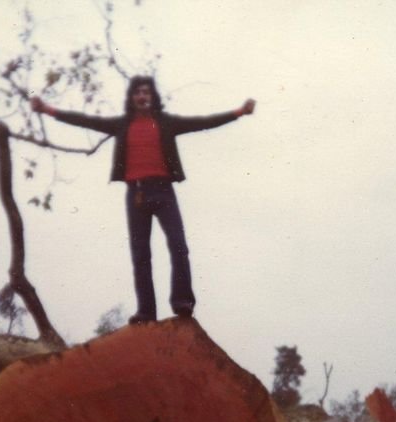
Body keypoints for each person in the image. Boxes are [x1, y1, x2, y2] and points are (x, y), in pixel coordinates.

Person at [31, 76, 255, 324]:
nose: (142, 97)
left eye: (147, 92)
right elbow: (86, 120)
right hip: (136, 194)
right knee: (140, 255)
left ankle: (182, 303)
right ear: (131, 98)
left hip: (164, 192)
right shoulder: (122, 125)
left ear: (153, 97)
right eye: (137, 93)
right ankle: (146, 312)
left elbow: (202, 123)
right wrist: (47, 109)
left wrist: (239, 112)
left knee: (179, 246)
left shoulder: (166, 123)